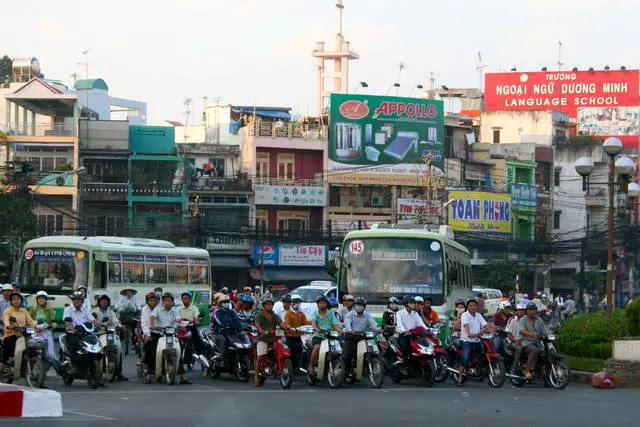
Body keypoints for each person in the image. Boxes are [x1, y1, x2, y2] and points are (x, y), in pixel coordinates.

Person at [150, 293, 191, 384]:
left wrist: (181, 325)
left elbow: (178, 320)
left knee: (180, 349)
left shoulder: (175, 310)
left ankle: (182, 375)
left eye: (169, 300)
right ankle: (150, 374)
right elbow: (152, 317)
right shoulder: (158, 309)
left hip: (171, 334)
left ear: (172, 302)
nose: (167, 302)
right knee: (153, 350)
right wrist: (152, 326)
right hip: (159, 333)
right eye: (165, 300)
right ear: (162, 302)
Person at [254, 296, 288, 386]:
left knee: (283, 348)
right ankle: (256, 377)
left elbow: (281, 323)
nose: (269, 306)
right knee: (260, 356)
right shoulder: (259, 315)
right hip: (263, 338)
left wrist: (287, 328)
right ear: (264, 305)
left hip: (274, 338)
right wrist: (261, 331)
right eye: (267, 304)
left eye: (271, 304)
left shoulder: (274, 315)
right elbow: (257, 324)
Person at [93, 293, 128, 381]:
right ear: (99, 302)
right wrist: (98, 326)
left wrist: (120, 326)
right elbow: (92, 321)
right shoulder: (94, 312)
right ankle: (94, 371)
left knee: (118, 349)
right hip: (99, 334)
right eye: (102, 301)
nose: (104, 303)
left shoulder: (111, 312)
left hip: (110, 333)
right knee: (95, 351)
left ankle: (119, 373)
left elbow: (116, 321)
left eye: (106, 301)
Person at [0, 292, 38, 373]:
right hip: (11, 335)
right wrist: (8, 326)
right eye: (14, 299)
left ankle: (25, 369)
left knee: (31, 349)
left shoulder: (23, 311)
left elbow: (30, 321)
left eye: (18, 299)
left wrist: (37, 326)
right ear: (11, 301)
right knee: (5, 356)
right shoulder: (8, 310)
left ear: (21, 300)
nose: (16, 301)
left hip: (22, 335)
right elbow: (6, 319)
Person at [457, 298, 491, 386]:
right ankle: (460, 377)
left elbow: (485, 325)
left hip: (477, 340)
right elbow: (465, 324)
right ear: (467, 306)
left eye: (474, 306)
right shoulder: (464, 315)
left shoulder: (479, 315)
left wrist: (491, 331)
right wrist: (469, 333)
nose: (473, 307)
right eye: (471, 305)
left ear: (477, 307)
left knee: (483, 356)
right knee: (465, 358)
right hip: (466, 340)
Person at [62, 292, 100, 367]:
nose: (76, 301)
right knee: (74, 344)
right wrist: (72, 329)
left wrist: (99, 325)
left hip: (84, 333)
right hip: (72, 333)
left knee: (95, 342)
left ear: (82, 301)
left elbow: (92, 320)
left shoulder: (85, 309)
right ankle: (74, 364)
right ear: (72, 300)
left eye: (79, 300)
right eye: (75, 299)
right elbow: (67, 322)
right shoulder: (68, 309)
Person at [343, 297, 378, 375]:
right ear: (355, 306)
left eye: (361, 305)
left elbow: (373, 324)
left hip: (362, 337)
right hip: (351, 337)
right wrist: (350, 330)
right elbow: (347, 324)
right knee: (347, 356)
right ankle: (348, 372)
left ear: (364, 306)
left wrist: (378, 329)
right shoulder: (350, 314)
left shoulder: (367, 315)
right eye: (358, 305)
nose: (359, 306)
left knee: (370, 351)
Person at [308, 295, 341, 376]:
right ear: (318, 304)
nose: (322, 304)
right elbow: (313, 322)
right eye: (320, 303)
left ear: (326, 304)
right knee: (317, 347)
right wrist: (316, 328)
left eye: (323, 302)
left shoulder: (331, 313)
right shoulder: (314, 313)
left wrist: (340, 331)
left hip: (330, 336)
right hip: (318, 335)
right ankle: (311, 365)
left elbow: (335, 325)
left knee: (339, 348)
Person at [518, 302, 548, 379]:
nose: (532, 311)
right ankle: (527, 369)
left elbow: (544, 331)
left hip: (537, 342)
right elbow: (521, 330)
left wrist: (551, 334)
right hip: (526, 341)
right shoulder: (523, 319)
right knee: (534, 350)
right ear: (527, 311)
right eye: (530, 310)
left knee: (547, 352)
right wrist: (530, 334)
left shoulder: (539, 320)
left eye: (534, 310)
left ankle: (542, 371)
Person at [211, 293, 243, 361]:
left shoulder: (232, 312)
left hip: (231, 333)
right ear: (220, 303)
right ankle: (221, 357)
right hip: (219, 333)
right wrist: (232, 324)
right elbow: (221, 322)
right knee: (223, 340)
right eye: (224, 302)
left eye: (228, 302)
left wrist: (236, 325)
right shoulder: (217, 312)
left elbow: (238, 321)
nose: (227, 303)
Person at [28, 291, 57, 361]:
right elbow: (28, 320)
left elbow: (53, 321)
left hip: (46, 331)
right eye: (39, 298)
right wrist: (34, 325)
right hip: (34, 330)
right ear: (37, 300)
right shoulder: (33, 309)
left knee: (50, 352)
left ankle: (51, 360)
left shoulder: (50, 310)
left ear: (46, 300)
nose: (41, 300)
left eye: (43, 298)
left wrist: (52, 325)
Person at [284, 294, 309, 373]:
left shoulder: (301, 314)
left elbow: (306, 322)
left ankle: (299, 367)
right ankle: (290, 368)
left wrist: (313, 323)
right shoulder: (288, 313)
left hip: (300, 336)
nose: (296, 303)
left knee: (303, 350)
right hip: (290, 336)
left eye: (298, 302)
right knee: (290, 352)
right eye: (295, 302)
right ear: (291, 303)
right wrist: (289, 326)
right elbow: (287, 322)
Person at [141, 292, 160, 383]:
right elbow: (144, 323)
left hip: (161, 332)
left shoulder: (160, 309)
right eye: (151, 300)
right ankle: (147, 366)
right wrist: (148, 334)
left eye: (155, 300)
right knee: (150, 348)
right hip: (148, 332)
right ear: (147, 301)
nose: (153, 302)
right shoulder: (144, 309)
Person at [506, 302, 527, 373]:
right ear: (516, 311)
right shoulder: (512, 320)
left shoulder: (527, 320)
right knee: (519, 348)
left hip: (525, 341)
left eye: (523, 310)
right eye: (519, 310)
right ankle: (513, 368)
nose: (521, 311)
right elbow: (509, 334)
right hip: (512, 341)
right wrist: (515, 341)